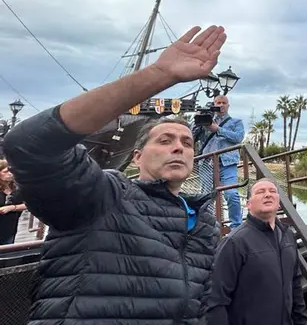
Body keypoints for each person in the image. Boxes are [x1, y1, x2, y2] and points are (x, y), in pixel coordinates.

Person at [2, 25, 227, 323]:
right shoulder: (102, 195)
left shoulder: (205, 223)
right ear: (136, 156)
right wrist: (161, 74)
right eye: (164, 140)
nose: (178, 147)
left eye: (187, 143)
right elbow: (30, 145)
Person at [206, 178, 307, 325]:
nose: (268, 194)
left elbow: (295, 284)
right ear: (248, 204)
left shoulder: (288, 236)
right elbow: (215, 299)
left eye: (272, 191)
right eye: (260, 192)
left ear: (278, 202)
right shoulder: (235, 242)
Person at [192, 94, 245, 229]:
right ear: (214, 104)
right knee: (206, 196)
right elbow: (192, 136)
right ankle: (208, 226)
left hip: (227, 162)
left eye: (224, 103)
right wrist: (198, 119)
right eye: (218, 102)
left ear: (228, 105)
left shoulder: (236, 122)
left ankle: (236, 226)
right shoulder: (206, 120)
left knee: (231, 193)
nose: (221, 105)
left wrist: (218, 129)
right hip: (207, 163)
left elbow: (238, 137)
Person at [0, 159, 26, 245]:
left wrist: (12, 208)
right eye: (5, 172)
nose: (10, 174)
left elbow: (28, 204)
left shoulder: (16, 188)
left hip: (10, 230)